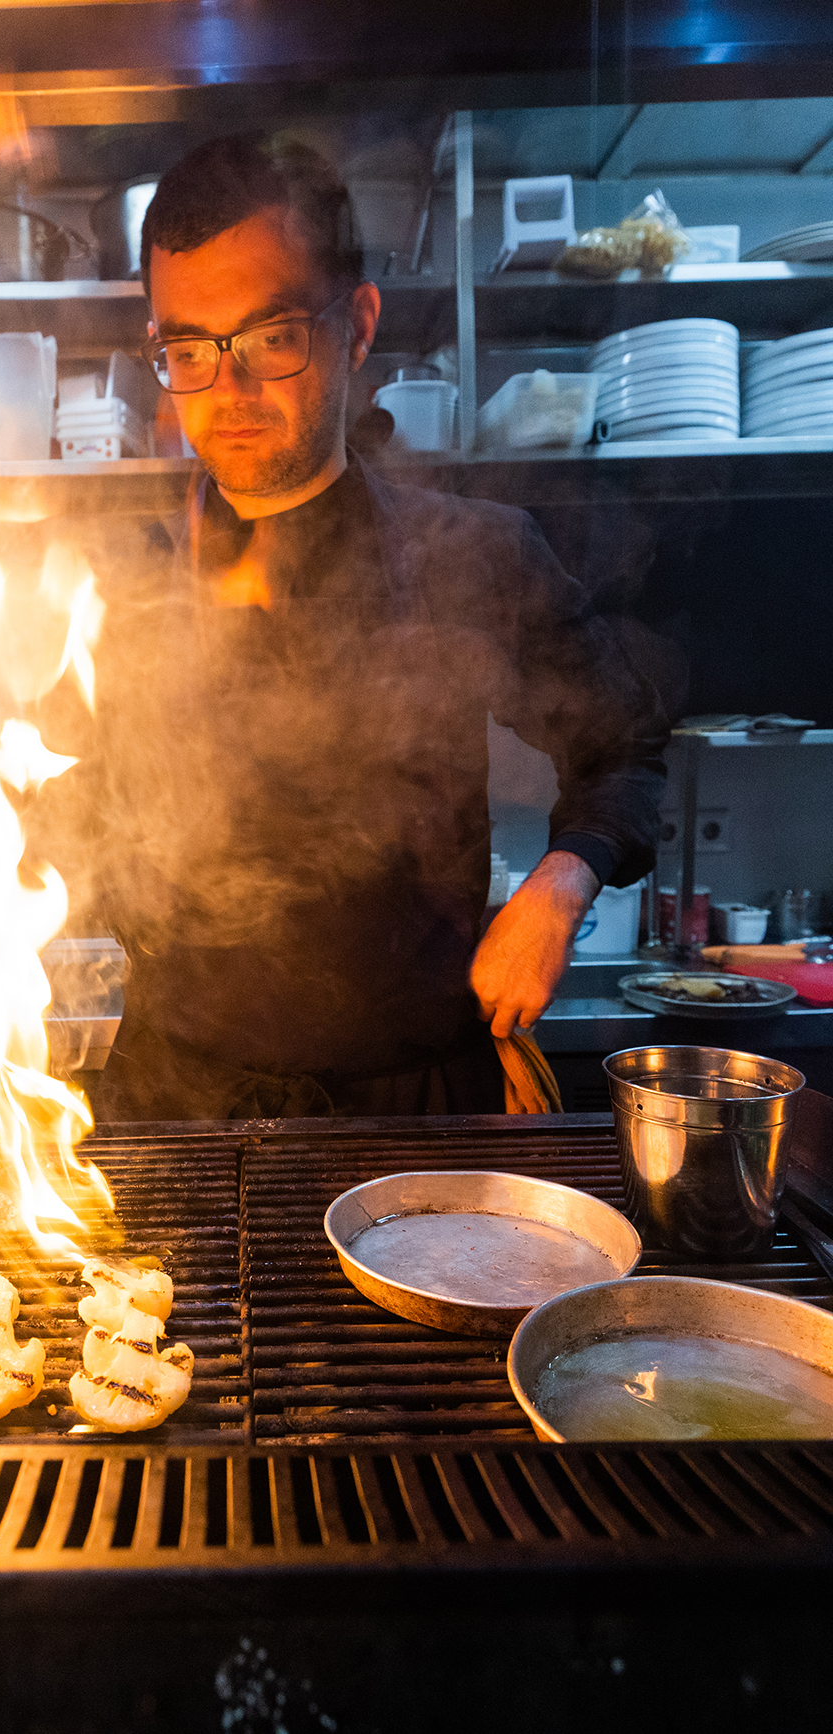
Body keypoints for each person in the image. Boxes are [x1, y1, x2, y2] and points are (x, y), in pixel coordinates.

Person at [71, 132, 669, 1120]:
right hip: (174, 1110)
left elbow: (628, 743)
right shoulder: (112, 583)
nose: (229, 390)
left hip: (408, 1117)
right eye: (188, 348)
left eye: (269, 339)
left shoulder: (471, 557)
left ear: (355, 327)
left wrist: (562, 884)